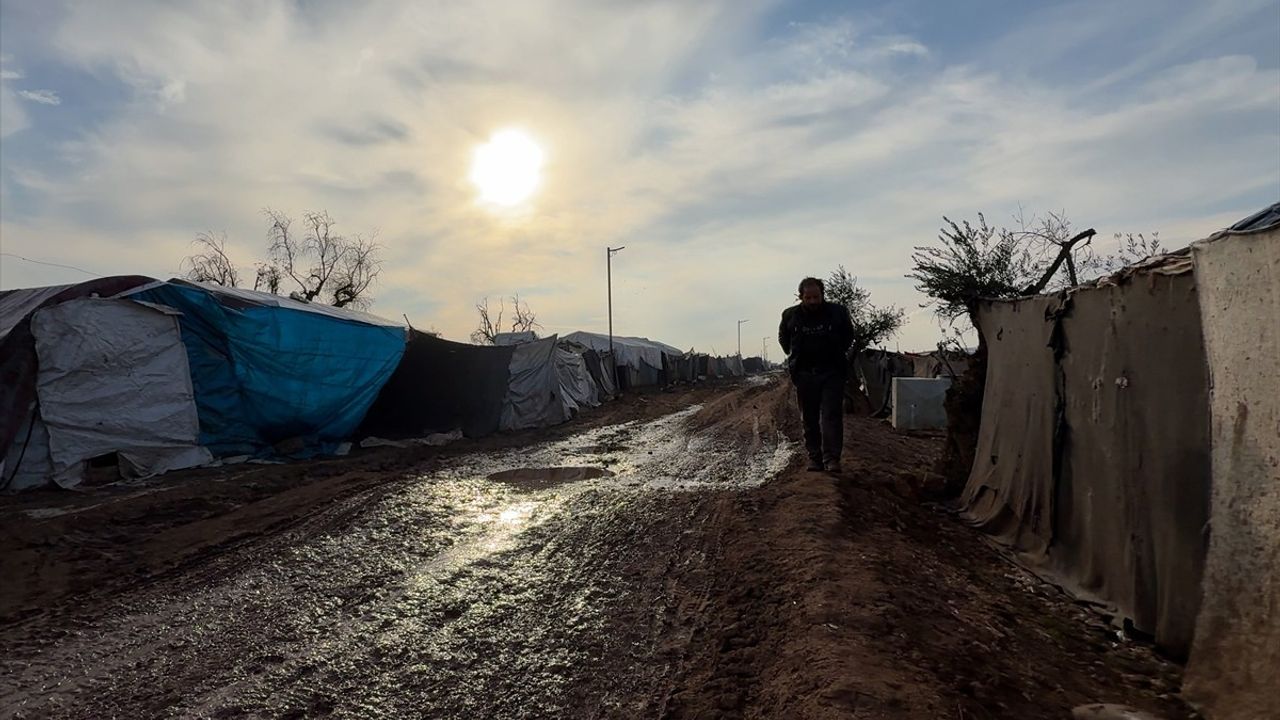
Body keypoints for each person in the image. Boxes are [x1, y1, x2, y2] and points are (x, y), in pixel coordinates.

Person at [778, 277, 854, 473]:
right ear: (801, 297)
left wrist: (836, 354)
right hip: (804, 374)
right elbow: (784, 340)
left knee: (831, 416)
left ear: (822, 295)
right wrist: (795, 358)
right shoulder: (790, 316)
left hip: (832, 372)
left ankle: (832, 459)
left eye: (816, 297)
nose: (813, 301)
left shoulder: (837, 313)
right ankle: (815, 458)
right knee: (809, 418)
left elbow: (848, 337)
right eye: (808, 297)